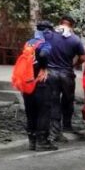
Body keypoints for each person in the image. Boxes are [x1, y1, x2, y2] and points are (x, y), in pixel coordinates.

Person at [19, 22, 58, 151]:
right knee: (43, 111)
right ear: (47, 31)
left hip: (27, 82)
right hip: (40, 83)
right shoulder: (44, 43)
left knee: (31, 112)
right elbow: (43, 54)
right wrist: (44, 67)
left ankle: (32, 141)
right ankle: (43, 141)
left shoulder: (29, 43)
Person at [47, 15, 85, 141]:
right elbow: (83, 58)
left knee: (54, 101)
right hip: (66, 74)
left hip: (51, 73)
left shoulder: (49, 36)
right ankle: (67, 127)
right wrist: (74, 64)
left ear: (60, 23)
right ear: (72, 25)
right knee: (68, 100)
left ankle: (54, 130)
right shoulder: (75, 39)